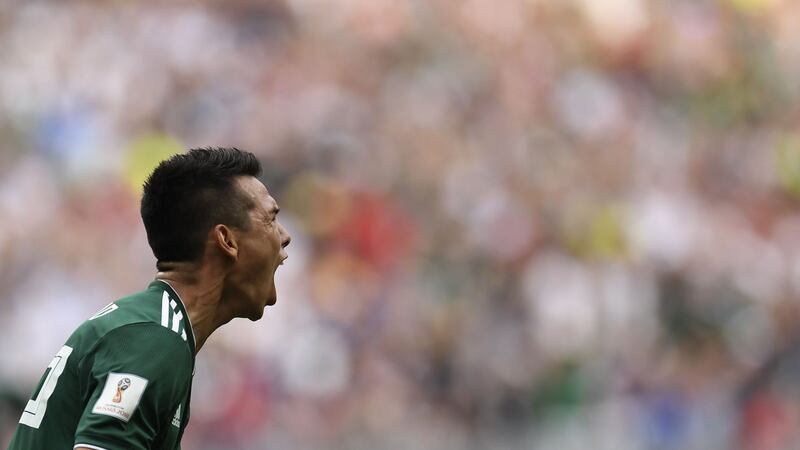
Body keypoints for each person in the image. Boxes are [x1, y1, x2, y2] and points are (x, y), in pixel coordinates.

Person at [7, 147, 291, 450]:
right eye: (271, 219)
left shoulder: (155, 328)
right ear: (227, 240)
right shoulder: (153, 339)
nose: (284, 236)